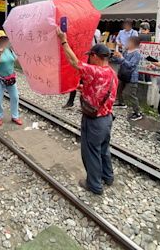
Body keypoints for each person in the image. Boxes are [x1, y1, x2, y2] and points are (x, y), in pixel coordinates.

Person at [57, 28, 118, 195]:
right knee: (104, 149)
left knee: (91, 152)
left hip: (94, 121)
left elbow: (74, 62)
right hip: (107, 119)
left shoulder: (95, 71)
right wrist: (85, 89)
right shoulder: (112, 73)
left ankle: (95, 185)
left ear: (96, 57)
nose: (88, 58)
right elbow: (103, 90)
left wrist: (63, 41)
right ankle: (108, 176)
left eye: (90, 56)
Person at [0, 30, 22, 126]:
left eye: (5, 39)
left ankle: (15, 116)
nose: (4, 41)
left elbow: (16, 61)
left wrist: (18, 52)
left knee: (15, 97)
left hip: (10, 78)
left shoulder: (9, 50)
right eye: (1, 39)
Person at [112, 36, 143, 121]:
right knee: (119, 89)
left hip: (131, 77)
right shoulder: (126, 51)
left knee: (131, 95)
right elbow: (119, 61)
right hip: (122, 74)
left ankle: (138, 112)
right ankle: (121, 103)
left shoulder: (136, 53)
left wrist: (121, 58)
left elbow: (130, 65)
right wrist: (115, 56)